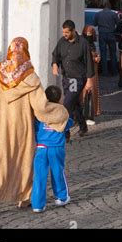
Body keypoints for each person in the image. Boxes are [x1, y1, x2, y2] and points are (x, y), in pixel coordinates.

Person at [0, 36, 68, 218]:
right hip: (22, 127)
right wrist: (60, 114)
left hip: (0, 125)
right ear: (26, 52)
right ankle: (24, 196)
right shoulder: (31, 77)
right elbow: (41, 107)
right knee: (23, 160)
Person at [31, 85, 74, 213]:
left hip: (41, 148)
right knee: (57, 172)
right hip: (56, 147)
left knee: (39, 176)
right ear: (60, 98)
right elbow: (68, 123)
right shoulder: (62, 112)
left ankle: (38, 204)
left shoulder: (39, 112)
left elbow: (35, 125)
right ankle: (61, 197)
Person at [52, 20, 94, 137]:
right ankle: (83, 126)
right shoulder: (62, 42)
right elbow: (56, 55)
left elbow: (89, 62)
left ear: (73, 31)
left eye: (66, 32)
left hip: (78, 78)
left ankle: (65, 132)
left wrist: (89, 80)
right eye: (63, 32)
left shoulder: (83, 43)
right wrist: (55, 64)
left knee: (67, 104)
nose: (64, 34)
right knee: (74, 103)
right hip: (66, 78)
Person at [94, 3, 119, 76]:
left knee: (103, 53)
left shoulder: (98, 14)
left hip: (102, 34)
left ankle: (105, 72)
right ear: (110, 7)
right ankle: (114, 71)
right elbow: (118, 24)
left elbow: (95, 24)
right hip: (111, 33)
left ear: (103, 7)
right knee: (113, 53)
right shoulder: (113, 14)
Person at [82, 25, 101, 117]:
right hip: (86, 71)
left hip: (94, 70)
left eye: (91, 34)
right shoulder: (83, 44)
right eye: (87, 34)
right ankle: (86, 112)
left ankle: (94, 111)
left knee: (94, 90)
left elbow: (96, 53)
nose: (89, 35)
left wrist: (97, 57)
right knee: (86, 92)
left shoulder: (93, 44)